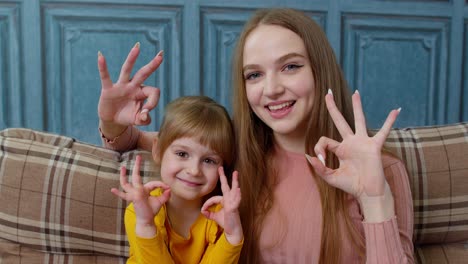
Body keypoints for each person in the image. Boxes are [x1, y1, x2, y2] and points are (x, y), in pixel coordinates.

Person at [97, 8, 414, 263]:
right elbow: (143, 143)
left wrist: (375, 199)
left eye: (290, 66)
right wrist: (111, 120)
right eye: (255, 74)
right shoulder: (234, 153)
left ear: (320, 70)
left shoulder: (381, 170)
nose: (272, 89)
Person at [108, 96, 243, 263]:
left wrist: (232, 236)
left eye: (209, 160)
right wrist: (146, 225)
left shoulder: (221, 216)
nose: (194, 170)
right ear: (157, 151)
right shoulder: (140, 211)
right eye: (182, 154)